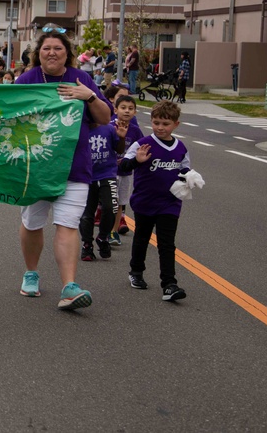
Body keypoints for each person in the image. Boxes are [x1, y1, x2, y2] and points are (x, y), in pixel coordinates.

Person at [14, 24, 111, 310]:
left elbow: (105, 117)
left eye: (58, 48)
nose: (52, 52)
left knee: (68, 225)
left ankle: (69, 287)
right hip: (36, 166)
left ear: (67, 53)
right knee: (33, 222)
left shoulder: (82, 79)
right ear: (37, 53)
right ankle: (31, 273)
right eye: (46, 48)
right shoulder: (26, 80)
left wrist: (89, 96)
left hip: (75, 166)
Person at [118, 100, 192, 302]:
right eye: (156, 122)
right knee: (142, 238)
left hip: (170, 203)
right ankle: (136, 271)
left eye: (165, 124)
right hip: (145, 201)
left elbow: (185, 169)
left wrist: (190, 178)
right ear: (151, 121)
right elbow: (124, 165)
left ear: (175, 124)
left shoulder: (180, 148)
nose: (160, 127)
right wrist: (136, 161)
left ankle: (169, 284)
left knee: (167, 244)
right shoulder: (142, 144)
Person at [79, 108, 127, 261]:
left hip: (107, 175)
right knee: (87, 214)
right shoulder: (79, 131)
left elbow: (118, 149)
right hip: (86, 177)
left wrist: (121, 138)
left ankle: (103, 237)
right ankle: (87, 245)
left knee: (110, 208)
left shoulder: (108, 129)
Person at [110, 94, 142, 244]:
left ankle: (114, 232)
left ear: (135, 112)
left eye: (131, 108)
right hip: (109, 172)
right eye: (123, 108)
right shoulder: (109, 126)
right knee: (111, 202)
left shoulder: (135, 131)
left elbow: (141, 149)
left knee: (120, 203)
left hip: (126, 173)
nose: (127, 111)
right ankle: (107, 229)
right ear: (115, 109)